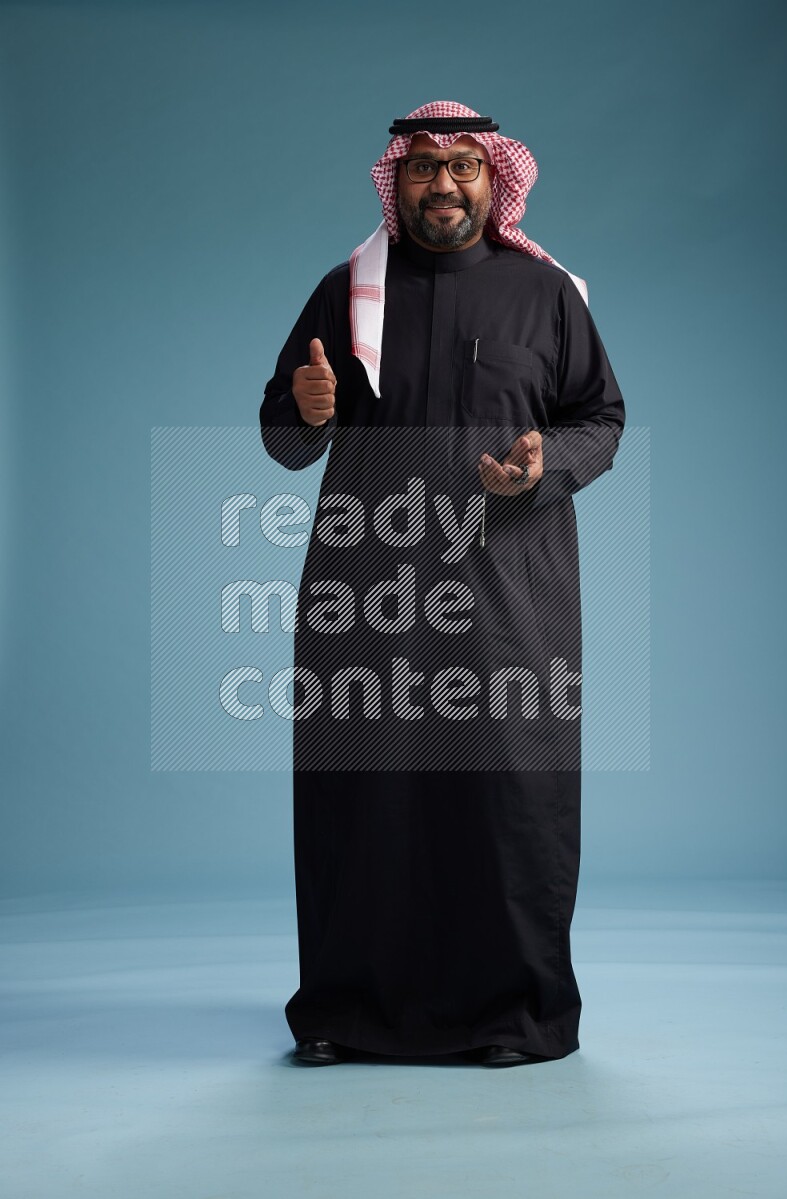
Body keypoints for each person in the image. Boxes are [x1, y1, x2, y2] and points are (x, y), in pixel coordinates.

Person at [259, 101, 625, 1068]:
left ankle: (513, 1010)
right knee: (360, 793)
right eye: (423, 168)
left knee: (508, 797)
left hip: (512, 588)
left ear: (494, 179)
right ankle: (347, 1007)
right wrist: (303, 412)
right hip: (366, 587)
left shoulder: (547, 297)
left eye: (463, 166)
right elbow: (283, 435)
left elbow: (602, 419)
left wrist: (546, 465)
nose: (443, 184)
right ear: (397, 180)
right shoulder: (346, 292)